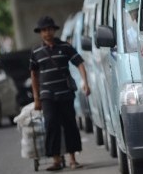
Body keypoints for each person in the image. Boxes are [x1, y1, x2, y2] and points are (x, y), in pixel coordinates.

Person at [29, 16, 91, 171]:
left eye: (49, 29)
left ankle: (72, 159)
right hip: (47, 95)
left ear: (54, 30)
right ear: (40, 33)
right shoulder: (36, 52)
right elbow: (34, 76)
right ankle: (56, 159)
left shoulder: (65, 47)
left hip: (65, 93)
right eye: (44, 30)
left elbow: (80, 64)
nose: (47, 32)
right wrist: (36, 99)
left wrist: (85, 83)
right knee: (51, 124)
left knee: (70, 124)